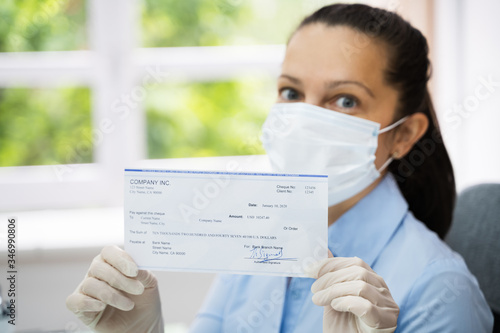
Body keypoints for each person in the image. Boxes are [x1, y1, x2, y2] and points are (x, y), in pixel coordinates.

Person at [66, 4, 494, 332]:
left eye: (345, 100)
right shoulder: (255, 240)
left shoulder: (440, 291)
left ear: (403, 136)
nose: (304, 119)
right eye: (290, 92)